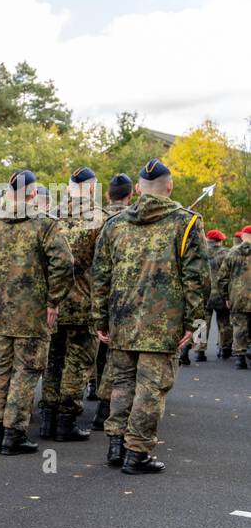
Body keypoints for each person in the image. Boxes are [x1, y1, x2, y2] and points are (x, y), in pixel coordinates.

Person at [92, 159, 209, 473]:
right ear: (168, 186)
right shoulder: (185, 222)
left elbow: (100, 275)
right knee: (150, 389)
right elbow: (196, 279)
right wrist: (194, 323)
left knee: (122, 384)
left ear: (138, 189)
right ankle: (137, 453)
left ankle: (116, 445)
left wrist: (100, 318)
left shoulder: (114, 224)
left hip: (122, 321)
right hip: (163, 323)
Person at [0, 169, 73, 456]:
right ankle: (14, 432)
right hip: (33, 313)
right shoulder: (45, 225)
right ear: (33, 195)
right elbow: (64, 265)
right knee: (26, 371)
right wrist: (52, 301)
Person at [40, 167, 103, 442]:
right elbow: (104, 266)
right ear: (91, 188)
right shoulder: (100, 219)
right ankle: (66, 420)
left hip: (52, 302)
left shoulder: (49, 217)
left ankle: (47, 418)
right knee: (78, 362)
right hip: (83, 302)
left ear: (68, 188)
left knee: (54, 359)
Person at [89, 173, 136, 429]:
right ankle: (106, 407)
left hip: (100, 296)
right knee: (117, 359)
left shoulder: (99, 219)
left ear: (108, 195)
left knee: (100, 352)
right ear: (131, 194)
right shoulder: (133, 220)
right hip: (128, 302)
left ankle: (96, 392)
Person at [213, 225, 251, 369]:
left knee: (239, 326)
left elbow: (222, 278)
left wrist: (226, 297)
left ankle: (240, 358)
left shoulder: (231, 253)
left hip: (237, 295)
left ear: (242, 236)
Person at [195, 229, 229, 362]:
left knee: (202, 322)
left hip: (203, 293)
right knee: (225, 322)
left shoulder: (199, 252)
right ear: (220, 241)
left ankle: (199, 351)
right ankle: (224, 349)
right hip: (221, 293)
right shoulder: (226, 253)